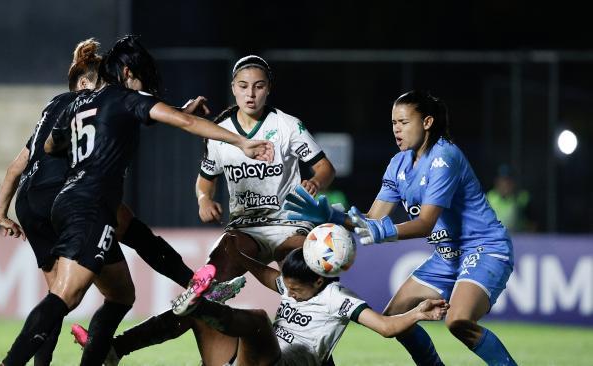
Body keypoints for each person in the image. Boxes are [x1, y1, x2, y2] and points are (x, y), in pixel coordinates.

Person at [0, 35, 273, 366]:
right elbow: (185, 122)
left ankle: (114, 345)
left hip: (67, 198)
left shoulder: (78, 103)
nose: (146, 87)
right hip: (91, 204)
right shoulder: (125, 96)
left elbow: (49, 147)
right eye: (143, 78)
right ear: (128, 71)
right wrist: (241, 142)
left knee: (121, 294)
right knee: (65, 295)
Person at [77, 55, 336, 365]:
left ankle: (318, 360)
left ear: (269, 89)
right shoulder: (220, 133)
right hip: (243, 230)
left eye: (258, 86)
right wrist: (203, 200)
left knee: (305, 288)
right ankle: (118, 348)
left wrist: (315, 183)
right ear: (233, 89)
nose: (251, 93)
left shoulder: (287, 126)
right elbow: (204, 182)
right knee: (200, 298)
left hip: (288, 224)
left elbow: (325, 168)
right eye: (243, 86)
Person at [285, 91, 517, 365]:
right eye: (394, 122)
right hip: (448, 256)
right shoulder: (398, 164)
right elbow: (371, 219)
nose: (396, 128)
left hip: (484, 248)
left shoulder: (445, 157)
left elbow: (425, 223)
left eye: (404, 122)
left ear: (427, 122)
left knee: (458, 320)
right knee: (396, 317)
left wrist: (382, 231)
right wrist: (332, 216)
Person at [171, 247, 449, 366]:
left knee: (257, 319)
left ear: (318, 281)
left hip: (283, 364)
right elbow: (271, 278)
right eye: (287, 286)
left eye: (295, 288)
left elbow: (386, 327)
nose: (288, 293)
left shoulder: (337, 298)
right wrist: (241, 258)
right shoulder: (296, 287)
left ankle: (198, 307)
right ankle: (198, 306)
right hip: (254, 361)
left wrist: (417, 313)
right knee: (204, 319)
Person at [486, 164, 534, 232]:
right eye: (503, 180)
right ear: (497, 182)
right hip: (496, 239)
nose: (506, 184)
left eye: (509, 180)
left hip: (518, 239)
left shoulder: (522, 197)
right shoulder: (489, 197)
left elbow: (532, 222)